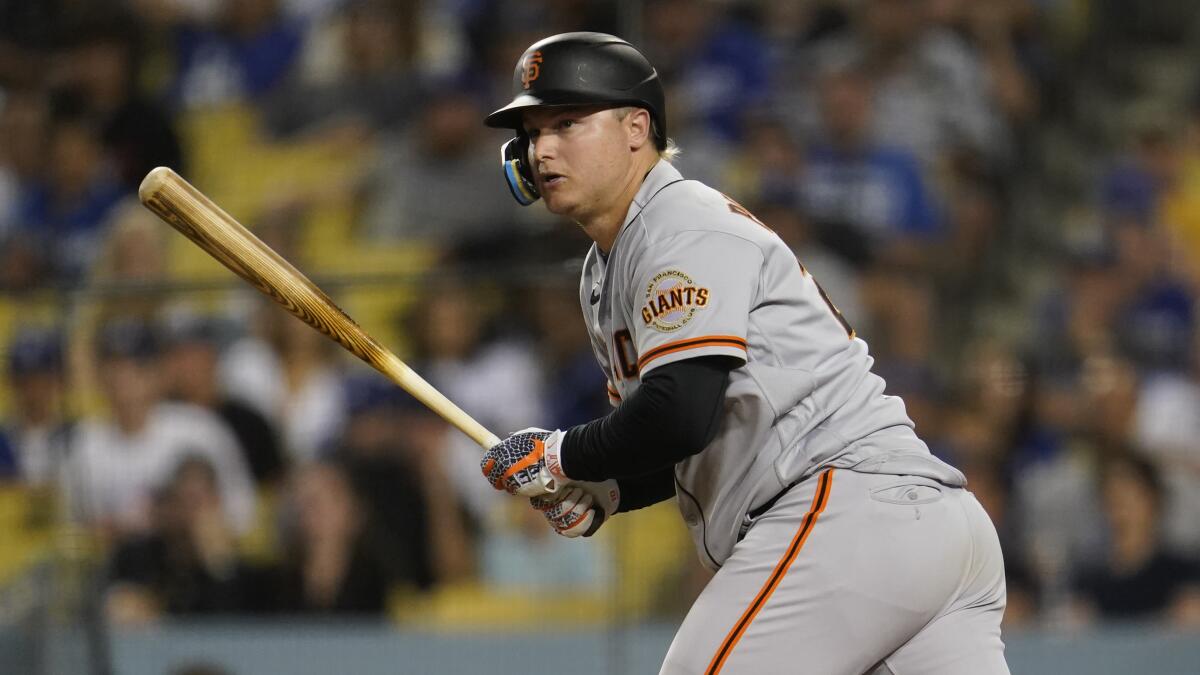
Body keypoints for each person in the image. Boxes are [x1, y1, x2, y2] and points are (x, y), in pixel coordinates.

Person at [477, 32, 1008, 674]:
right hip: (913, 527)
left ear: (636, 128)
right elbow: (680, 439)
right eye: (532, 133)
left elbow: (679, 413)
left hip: (846, 511)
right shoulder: (607, 267)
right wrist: (605, 490)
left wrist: (559, 452)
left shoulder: (677, 225)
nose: (543, 149)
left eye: (568, 122)